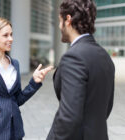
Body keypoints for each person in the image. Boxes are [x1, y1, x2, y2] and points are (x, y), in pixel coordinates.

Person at [47, 0, 115, 140]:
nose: (59, 26)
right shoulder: (104, 56)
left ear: (68, 20)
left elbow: (69, 118)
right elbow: (106, 108)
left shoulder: (74, 57)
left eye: (60, 21)